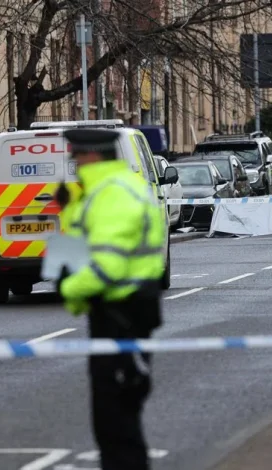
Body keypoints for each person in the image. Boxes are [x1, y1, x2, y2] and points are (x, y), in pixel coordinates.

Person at [55, 128, 164, 470]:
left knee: (116, 423)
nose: (72, 161)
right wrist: (67, 211)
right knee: (114, 419)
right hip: (121, 315)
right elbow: (76, 246)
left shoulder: (112, 194)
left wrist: (69, 291)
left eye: (75, 154)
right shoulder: (108, 189)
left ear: (91, 155)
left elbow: (107, 266)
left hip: (121, 316)